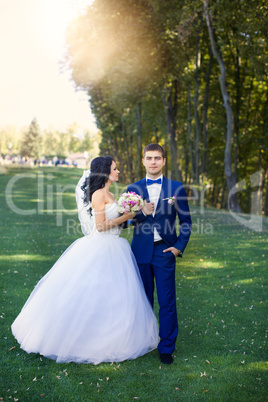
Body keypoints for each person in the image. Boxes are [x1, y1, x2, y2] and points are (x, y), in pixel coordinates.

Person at [11, 156, 159, 364]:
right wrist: (126, 217)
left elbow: (113, 221)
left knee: (113, 295)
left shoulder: (108, 192)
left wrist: (134, 212)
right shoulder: (99, 194)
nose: (118, 172)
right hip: (102, 246)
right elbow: (100, 226)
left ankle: (111, 337)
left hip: (114, 246)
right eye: (115, 169)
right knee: (94, 292)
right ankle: (84, 339)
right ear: (105, 173)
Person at [125, 144, 192, 365]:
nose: (153, 162)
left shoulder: (176, 188)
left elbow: (186, 221)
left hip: (164, 251)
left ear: (164, 161)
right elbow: (125, 222)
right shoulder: (132, 188)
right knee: (142, 300)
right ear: (143, 161)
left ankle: (166, 347)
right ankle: (142, 341)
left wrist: (178, 246)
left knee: (166, 301)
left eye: (157, 158)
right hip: (140, 251)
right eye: (149, 158)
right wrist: (141, 213)